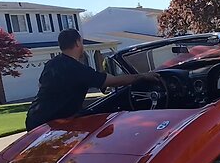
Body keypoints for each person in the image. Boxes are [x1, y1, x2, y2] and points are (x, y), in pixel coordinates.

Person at [24, 29, 159, 131]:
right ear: (77, 43)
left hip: (33, 119)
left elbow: (43, 86)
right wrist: (142, 76)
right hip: (53, 123)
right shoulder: (77, 69)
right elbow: (113, 81)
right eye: (81, 42)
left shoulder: (52, 64)